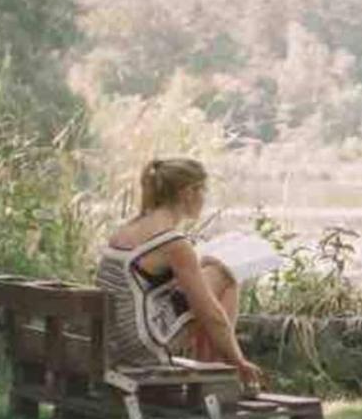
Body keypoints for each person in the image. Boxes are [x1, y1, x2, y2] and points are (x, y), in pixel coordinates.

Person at [96, 157, 264, 392]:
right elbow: (211, 314)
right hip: (143, 343)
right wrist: (239, 360)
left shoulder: (130, 228)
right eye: (203, 190)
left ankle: (213, 371)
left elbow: (144, 282)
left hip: (115, 339)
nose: (204, 198)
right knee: (226, 279)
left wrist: (198, 266)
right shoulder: (172, 242)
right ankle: (219, 374)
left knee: (215, 273)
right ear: (188, 193)